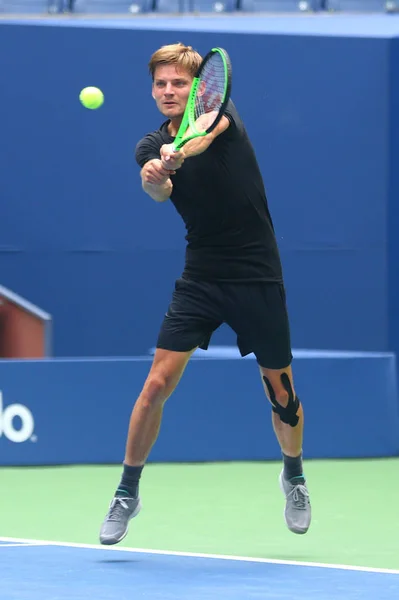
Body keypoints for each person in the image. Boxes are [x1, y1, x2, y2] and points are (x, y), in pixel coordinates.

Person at [99, 42, 311, 546]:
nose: (169, 91)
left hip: (258, 273)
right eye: (161, 84)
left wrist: (180, 151)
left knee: (281, 391)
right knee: (156, 384)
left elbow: (205, 134)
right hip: (202, 276)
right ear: (152, 91)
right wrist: (157, 172)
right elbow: (157, 192)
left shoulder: (220, 112)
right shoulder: (148, 146)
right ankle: (127, 491)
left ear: (198, 89)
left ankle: (294, 477)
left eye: (178, 83)